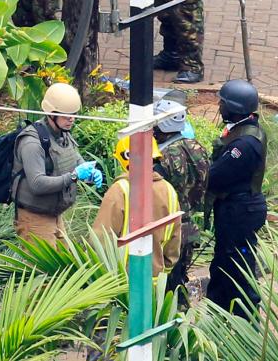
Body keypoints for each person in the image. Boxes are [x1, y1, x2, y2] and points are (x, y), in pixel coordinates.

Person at [12, 83, 103, 246]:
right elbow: (37, 184)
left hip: (55, 213)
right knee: (43, 270)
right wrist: (74, 176)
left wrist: (90, 172)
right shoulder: (31, 143)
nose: (72, 119)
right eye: (67, 115)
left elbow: (75, 159)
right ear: (51, 114)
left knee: (65, 265)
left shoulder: (62, 132)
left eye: (74, 114)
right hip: (34, 218)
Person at [206, 79, 267, 317]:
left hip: (240, 211)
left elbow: (215, 176)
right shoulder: (241, 128)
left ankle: (246, 323)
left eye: (223, 102)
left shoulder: (244, 144)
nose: (220, 106)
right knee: (223, 264)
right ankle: (217, 315)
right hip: (235, 209)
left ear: (235, 107)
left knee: (237, 269)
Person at [93, 137, 182, 277]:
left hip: (121, 280)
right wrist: (162, 270)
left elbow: (101, 238)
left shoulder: (120, 189)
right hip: (154, 278)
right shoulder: (168, 190)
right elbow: (174, 241)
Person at [152, 99, 209, 300]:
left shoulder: (161, 158)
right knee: (179, 281)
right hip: (190, 228)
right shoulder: (197, 147)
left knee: (165, 288)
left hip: (168, 232)